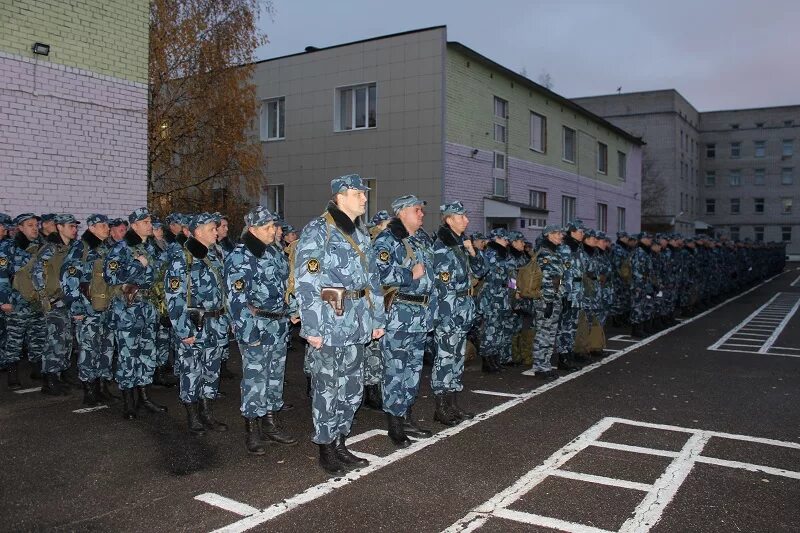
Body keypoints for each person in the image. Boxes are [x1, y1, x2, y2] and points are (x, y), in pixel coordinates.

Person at [295, 175, 385, 474]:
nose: (364, 198)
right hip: (330, 320)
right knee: (327, 387)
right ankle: (326, 446)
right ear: (341, 196)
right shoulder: (318, 230)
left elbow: (373, 280)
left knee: (352, 388)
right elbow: (307, 283)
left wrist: (377, 318)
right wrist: (312, 328)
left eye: (364, 193)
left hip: (357, 319)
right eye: (359, 193)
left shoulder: (360, 233)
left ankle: (341, 440)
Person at [225, 206, 299, 453]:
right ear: (253, 229)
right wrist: (249, 335)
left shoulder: (274, 253)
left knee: (275, 376)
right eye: (267, 228)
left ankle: (270, 422)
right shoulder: (240, 256)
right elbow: (236, 300)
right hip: (256, 325)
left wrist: (294, 311)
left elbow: (287, 286)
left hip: (277, 325)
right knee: (255, 378)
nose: (273, 231)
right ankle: (252, 430)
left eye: (273, 226)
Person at [374, 194, 437, 447]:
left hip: (421, 314)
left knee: (413, 370)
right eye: (416, 210)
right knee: (395, 370)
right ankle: (395, 425)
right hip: (399, 314)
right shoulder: (387, 239)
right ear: (401, 212)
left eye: (422, 210)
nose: (421, 214)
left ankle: (407, 416)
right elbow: (378, 273)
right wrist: (409, 274)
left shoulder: (422, 239)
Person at [164, 213, 229, 435]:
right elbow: (174, 297)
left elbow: (224, 291)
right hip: (194, 324)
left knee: (211, 371)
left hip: (216, 323)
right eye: (212, 228)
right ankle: (192, 416)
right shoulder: (183, 257)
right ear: (198, 231)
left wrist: (227, 319)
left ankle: (207, 412)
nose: (216, 232)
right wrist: (183, 330)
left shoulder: (216, 254)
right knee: (191, 371)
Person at [104, 207, 168, 419]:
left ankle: (144, 398)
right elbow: (110, 277)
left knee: (147, 354)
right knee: (128, 355)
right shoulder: (121, 248)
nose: (150, 225)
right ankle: (128, 402)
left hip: (148, 308)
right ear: (135, 225)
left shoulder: (150, 247)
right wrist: (136, 265)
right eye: (146, 222)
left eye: (150, 221)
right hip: (128, 308)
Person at [431, 201, 483, 426]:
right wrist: (447, 314)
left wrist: (473, 252)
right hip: (449, 309)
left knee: (457, 357)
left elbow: (482, 270)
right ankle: (441, 407)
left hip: (463, 306)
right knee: (445, 357)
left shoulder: (462, 243)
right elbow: (443, 286)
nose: (466, 220)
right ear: (449, 219)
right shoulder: (442, 245)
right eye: (461, 216)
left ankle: (452, 404)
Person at [61, 214, 117, 405]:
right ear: (91, 228)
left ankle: (102, 385)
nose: (106, 228)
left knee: (106, 348)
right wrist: (76, 307)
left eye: (107, 225)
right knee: (88, 349)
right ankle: (89, 389)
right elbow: (69, 279)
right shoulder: (80, 248)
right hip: (88, 310)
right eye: (102, 225)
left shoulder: (108, 248)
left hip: (108, 308)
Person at [1, 214, 48, 389]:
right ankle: (12, 374)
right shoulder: (8, 247)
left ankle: (37, 369)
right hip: (17, 301)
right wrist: (4, 300)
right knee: (14, 338)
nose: (35, 228)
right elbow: (2, 275)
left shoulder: (42, 247)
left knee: (38, 336)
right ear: (20, 227)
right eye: (30, 225)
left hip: (37, 300)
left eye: (36, 225)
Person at [361, 209, 392, 411]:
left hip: (381, 300)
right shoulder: (375, 242)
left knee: (378, 349)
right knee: (372, 349)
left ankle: (374, 389)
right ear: (381, 224)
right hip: (370, 300)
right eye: (388, 222)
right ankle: (370, 392)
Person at [531, 225, 566, 380]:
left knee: (550, 334)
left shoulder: (553, 252)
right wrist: (549, 300)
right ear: (548, 235)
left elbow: (558, 279)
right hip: (546, 300)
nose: (561, 236)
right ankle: (540, 367)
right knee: (543, 333)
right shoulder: (545, 254)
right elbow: (546, 279)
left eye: (560, 233)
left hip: (554, 298)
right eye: (557, 233)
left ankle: (545, 364)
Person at [477, 228, 514, 373]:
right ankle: (487, 360)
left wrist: (512, 290)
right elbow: (490, 277)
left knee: (499, 329)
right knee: (490, 329)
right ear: (496, 238)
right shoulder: (490, 254)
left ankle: (495, 358)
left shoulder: (504, 255)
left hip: (503, 295)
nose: (507, 241)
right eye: (504, 239)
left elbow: (511, 276)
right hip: (492, 296)